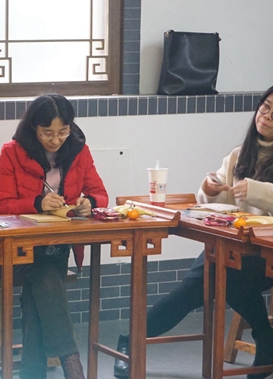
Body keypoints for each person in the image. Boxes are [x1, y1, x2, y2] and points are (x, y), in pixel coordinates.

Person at [114, 85, 273, 379]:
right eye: (265, 107)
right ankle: (266, 339)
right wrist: (209, 189)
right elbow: (218, 204)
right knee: (209, 279)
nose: (267, 116)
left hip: (265, 253)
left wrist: (256, 191)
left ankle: (130, 341)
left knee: (214, 278)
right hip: (234, 246)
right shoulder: (239, 154)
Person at [0, 93, 108, 379]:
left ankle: (33, 374)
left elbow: (99, 193)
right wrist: (37, 203)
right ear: (34, 127)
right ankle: (73, 367)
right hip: (14, 250)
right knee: (45, 277)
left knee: (40, 289)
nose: (55, 140)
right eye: (47, 133)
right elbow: (3, 206)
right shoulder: (12, 152)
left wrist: (89, 203)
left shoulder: (79, 151)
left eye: (63, 132)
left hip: (55, 247)